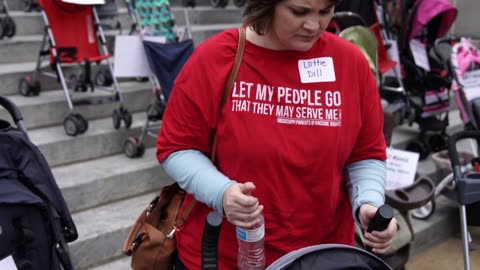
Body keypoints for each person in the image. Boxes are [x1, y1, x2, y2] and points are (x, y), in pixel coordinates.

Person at [156, 0, 398, 268]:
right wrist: (222, 193)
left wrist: (368, 202)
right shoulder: (216, 57)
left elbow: (366, 153)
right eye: (299, 11)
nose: (314, 25)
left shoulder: (350, 62)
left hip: (322, 257)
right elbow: (176, 147)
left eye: (325, 11)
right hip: (224, 256)